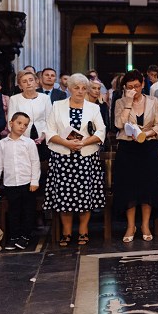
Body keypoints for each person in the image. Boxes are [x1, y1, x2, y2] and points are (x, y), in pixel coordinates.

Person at [44, 73, 107, 246]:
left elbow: (101, 131)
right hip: (63, 157)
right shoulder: (57, 106)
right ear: (69, 88)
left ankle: (83, 231)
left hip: (86, 157)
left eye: (83, 88)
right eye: (76, 88)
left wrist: (84, 142)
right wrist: (66, 143)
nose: (80, 91)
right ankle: (66, 232)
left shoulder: (93, 108)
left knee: (85, 197)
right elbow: (49, 131)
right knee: (65, 197)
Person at [112, 70, 158, 243]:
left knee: (147, 187)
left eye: (137, 86)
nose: (134, 89)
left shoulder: (153, 101)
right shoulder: (120, 102)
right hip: (127, 148)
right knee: (129, 188)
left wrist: (147, 133)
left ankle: (145, 225)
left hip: (148, 147)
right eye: (130, 87)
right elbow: (119, 124)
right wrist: (127, 103)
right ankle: (130, 225)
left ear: (143, 84)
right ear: (125, 88)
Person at [0, 112, 41, 250]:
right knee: (14, 211)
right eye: (19, 123)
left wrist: (34, 180)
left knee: (28, 211)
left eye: (25, 125)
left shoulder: (29, 143)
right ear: (11, 123)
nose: (22, 127)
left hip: (27, 183)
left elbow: (35, 163)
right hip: (10, 183)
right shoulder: (1, 144)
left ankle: (25, 236)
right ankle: (14, 237)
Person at [8, 71, 52, 159]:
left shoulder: (45, 98)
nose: (28, 83)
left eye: (31, 80)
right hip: (21, 140)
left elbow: (50, 120)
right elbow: (11, 123)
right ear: (20, 86)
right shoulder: (14, 99)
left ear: (36, 82)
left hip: (43, 139)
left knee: (42, 167)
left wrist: (43, 136)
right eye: (24, 81)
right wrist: (23, 138)